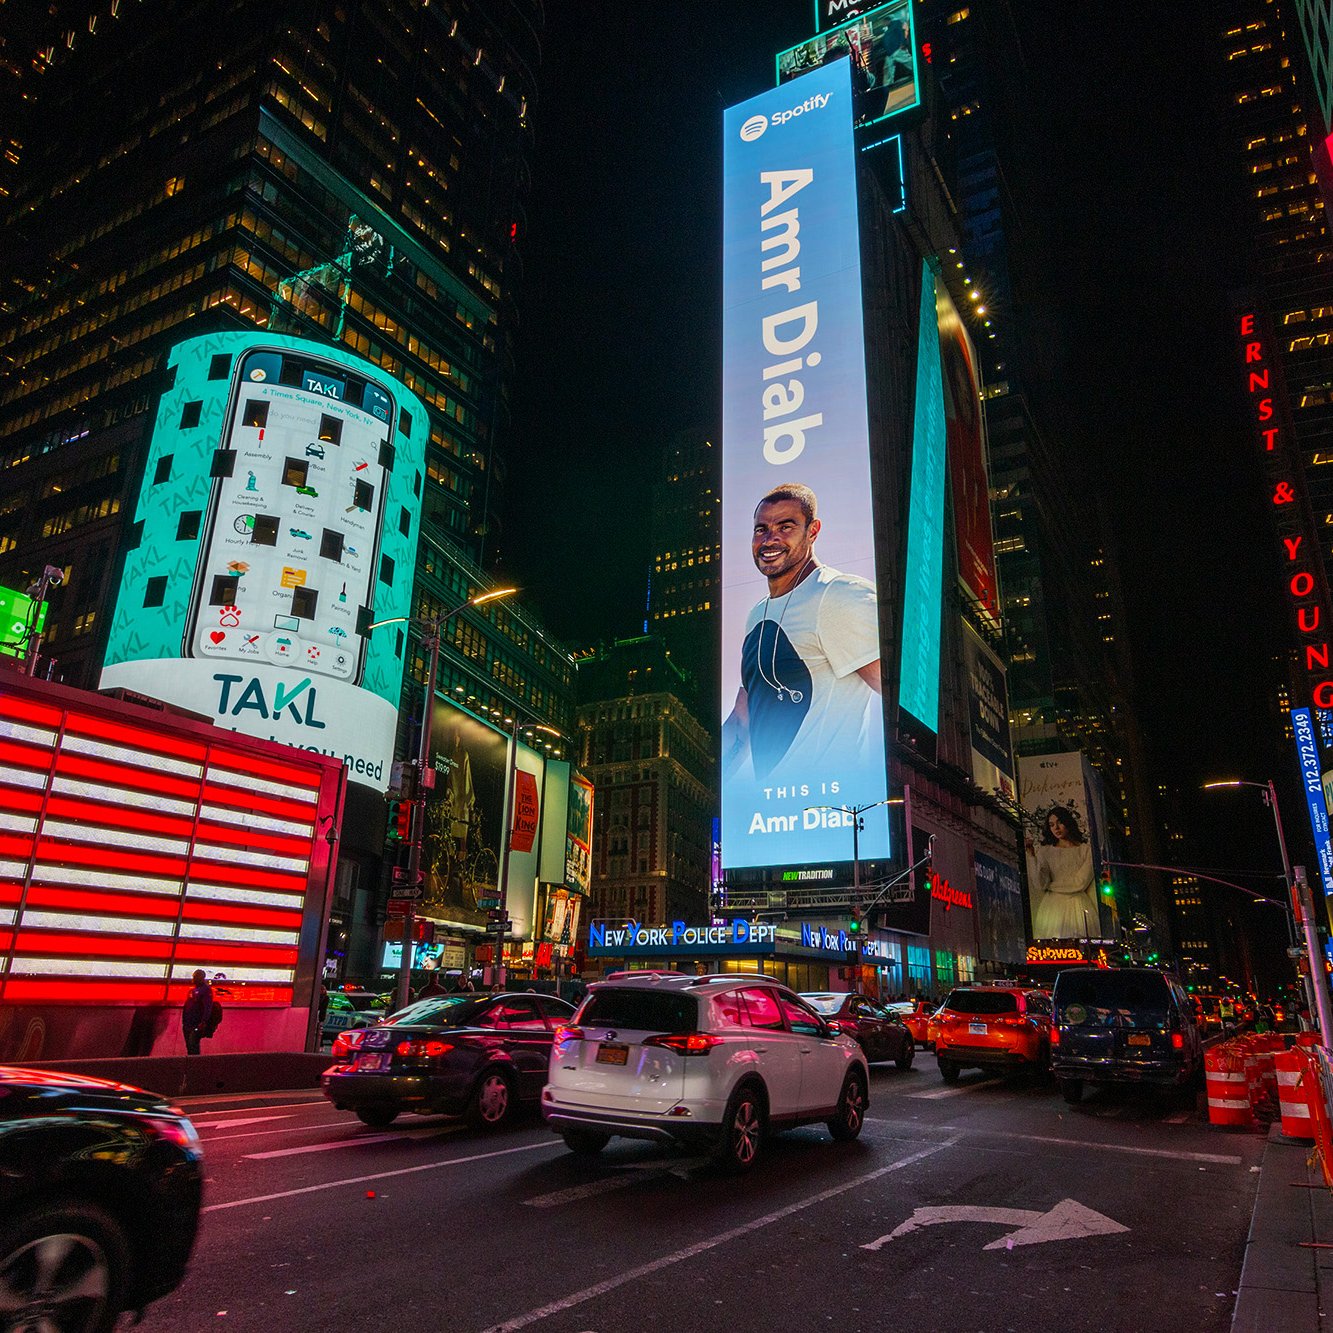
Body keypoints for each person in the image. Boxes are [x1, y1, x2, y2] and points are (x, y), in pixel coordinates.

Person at [722, 484, 881, 783]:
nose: (770, 539)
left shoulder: (838, 594)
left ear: (813, 530)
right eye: (761, 529)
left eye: (786, 526)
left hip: (835, 810)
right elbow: (743, 722)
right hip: (773, 813)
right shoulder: (757, 615)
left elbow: (897, 692)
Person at [1027, 806, 1097, 939]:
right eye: (1052, 825)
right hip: (1053, 909)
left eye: (1060, 822)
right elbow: (1040, 883)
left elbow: (1081, 882)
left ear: (1068, 822)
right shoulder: (1046, 851)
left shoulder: (1085, 850)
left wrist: (1052, 886)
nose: (1056, 828)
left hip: (1077, 906)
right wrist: (1031, 856)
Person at [182, 969, 215, 1056]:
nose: (193, 978)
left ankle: (194, 1065)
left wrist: (203, 1021)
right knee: (189, 1046)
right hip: (188, 1023)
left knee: (193, 1045)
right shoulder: (193, 990)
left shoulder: (205, 990)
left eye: (195, 976)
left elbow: (208, 1007)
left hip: (196, 1023)